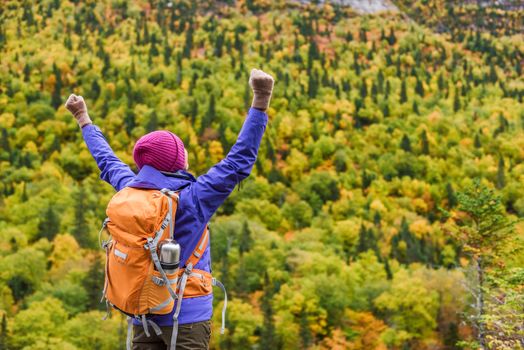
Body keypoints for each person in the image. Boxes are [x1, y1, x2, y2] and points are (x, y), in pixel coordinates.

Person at [65, 68, 274, 350]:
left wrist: (83, 119)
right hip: (187, 317)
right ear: (179, 162)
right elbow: (238, 162)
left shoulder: (129, 188)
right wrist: (261, 99)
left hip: (143, 309)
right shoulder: (194, 197)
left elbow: (106, 160)